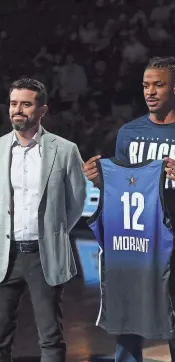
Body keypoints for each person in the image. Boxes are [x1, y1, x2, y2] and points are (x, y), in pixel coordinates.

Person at [82, 56, 175, 362]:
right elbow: (123, 191)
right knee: (127, 347)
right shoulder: (128, 133)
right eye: (145, 85)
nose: (150, 92)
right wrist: (101, 182)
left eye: (158, 84)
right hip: (133, 252)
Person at [0, 78, 87, 362]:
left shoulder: (64, 150)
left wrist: (54, 233)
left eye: (26, 104)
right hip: (5, 255)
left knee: (50, 338)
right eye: (14, 103)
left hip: (43, 254)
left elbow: (76, 202)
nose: (18, 110)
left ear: (42, 110)